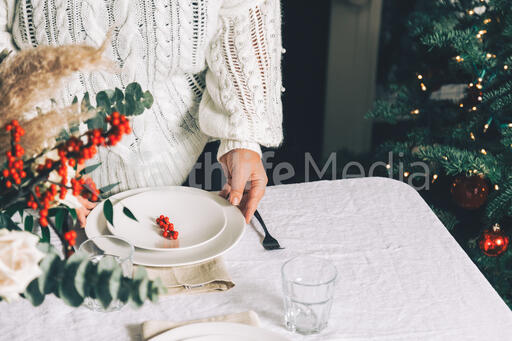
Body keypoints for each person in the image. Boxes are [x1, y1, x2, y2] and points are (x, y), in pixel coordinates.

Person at [0, 0, 283, 225]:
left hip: (197, 158)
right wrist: (39, 158)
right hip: (37, 181)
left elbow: (240, 13)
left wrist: (241, 133)